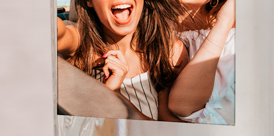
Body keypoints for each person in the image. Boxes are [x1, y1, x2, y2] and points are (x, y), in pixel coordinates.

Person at [57, 0, 189, 121]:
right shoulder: (80, 42)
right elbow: (55, 31)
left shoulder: (169, 51)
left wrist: (114, 97)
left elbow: (167, 126)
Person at [168, 0, 235, 125]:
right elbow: (183, 106)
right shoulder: (158, 37)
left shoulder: (241, 30)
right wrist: (224, 22)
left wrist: (225, 21)